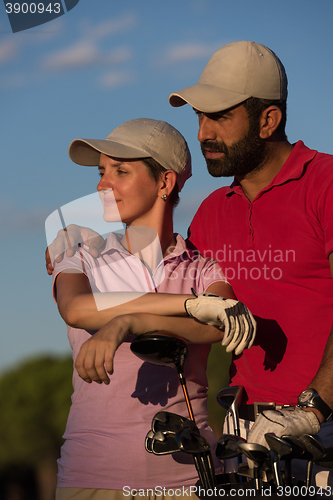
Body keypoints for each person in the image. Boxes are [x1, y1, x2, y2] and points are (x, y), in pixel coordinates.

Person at [48, 118, 256, 499]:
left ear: (165, 182)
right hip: (91, 476)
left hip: (188, 479)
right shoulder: (80, 255)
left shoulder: (203, 268)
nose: (102, 184)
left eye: (121, 171)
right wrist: (189, 306)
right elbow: (77, 308)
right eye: (101, 172)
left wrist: (129, 322)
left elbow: (218, 325)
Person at [168, 40, 333, 486]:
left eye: (219, 116)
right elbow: (168, 291)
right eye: (199, 117)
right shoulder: (209, 213)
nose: (203, 132)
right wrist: (83, 251)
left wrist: (314, 410)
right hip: (250, 439)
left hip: (325, 432)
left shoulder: (326, 183)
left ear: (268, 120)